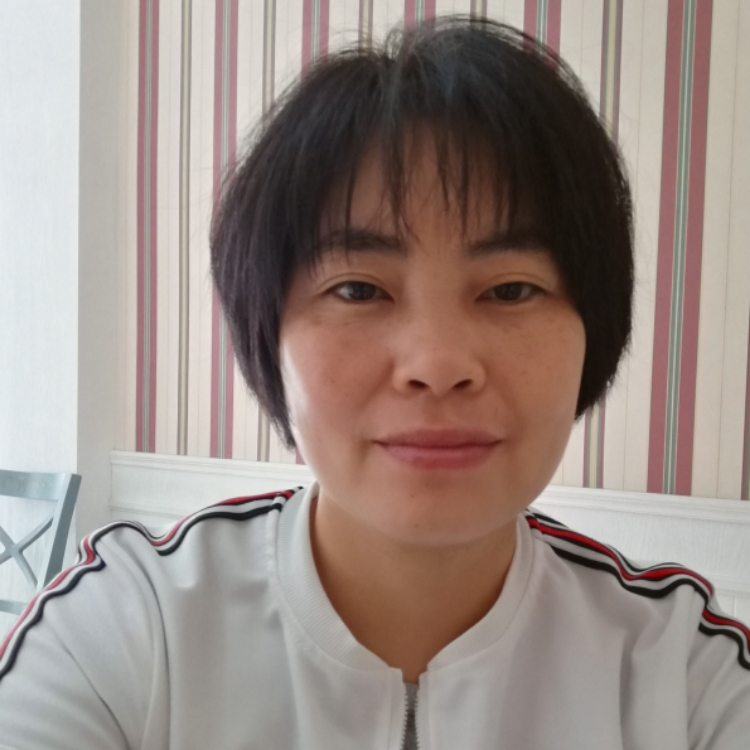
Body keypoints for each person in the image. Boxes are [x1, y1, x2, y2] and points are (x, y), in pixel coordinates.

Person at [1, 15, 748, 749]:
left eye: (511, 289)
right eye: (358, 289)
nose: (438, 364)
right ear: (268, 334)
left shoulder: (683, 674)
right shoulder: (129, 627)